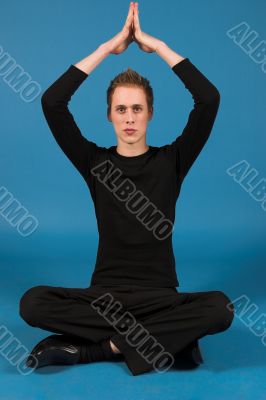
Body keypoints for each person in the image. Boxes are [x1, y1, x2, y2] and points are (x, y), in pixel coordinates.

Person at [19, 2, 234, 376]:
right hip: (105, 298)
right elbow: (52, 102)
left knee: (221, 308)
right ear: (109, 115)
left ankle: (98, 350)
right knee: (32, 303)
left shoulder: (172, 160)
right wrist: (107, 48)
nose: (130, 118)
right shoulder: (95, 163)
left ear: (150, 113)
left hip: (161, 298)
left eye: (137, 108)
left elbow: (209, 99)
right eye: (121, 109)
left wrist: (161, 47)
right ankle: (170, 341)